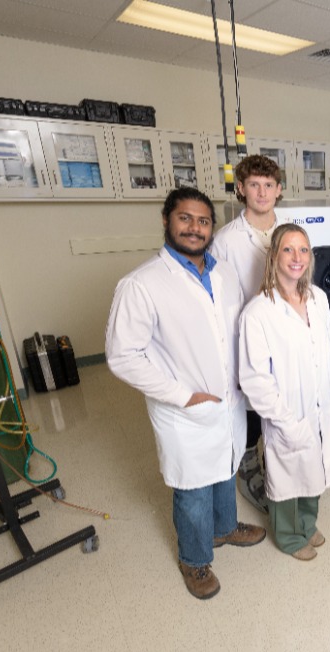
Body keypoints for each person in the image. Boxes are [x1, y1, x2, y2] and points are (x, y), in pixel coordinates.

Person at [106, 187, 267, 600]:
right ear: (166, 220)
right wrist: (182, 395)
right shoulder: (142, 284)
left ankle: (225, 529)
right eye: (185, 219)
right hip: (184, 409)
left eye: (203, 221)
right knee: (193, 488)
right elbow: (122, 356)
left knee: (227, 466)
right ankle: (194, 561)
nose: (195, 228)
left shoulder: (224, 273)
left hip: (229, 399)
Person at [239, 224, 330, 562]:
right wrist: (286, 420)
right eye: (288, 249)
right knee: (288, 477)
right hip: (287, 412)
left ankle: (306, 522)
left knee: (316, 470)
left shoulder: (318, 298)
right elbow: (256, 380)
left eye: (303, 250)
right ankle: (287, 536)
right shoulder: (258, 312)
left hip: (321, 406)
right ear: (274, 256)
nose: (297, 257)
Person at [210, 154, 284, 514]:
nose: (261, 191)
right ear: (240, 188)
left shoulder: (291, 232)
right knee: (253, 412)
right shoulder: (225, 241)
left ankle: (280, 474)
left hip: (285, 340)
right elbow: (220, 301)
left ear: (278, 189)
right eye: (253, 184)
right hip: (247, 340)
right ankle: (250, 470)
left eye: (268, 184)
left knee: (282, 408)